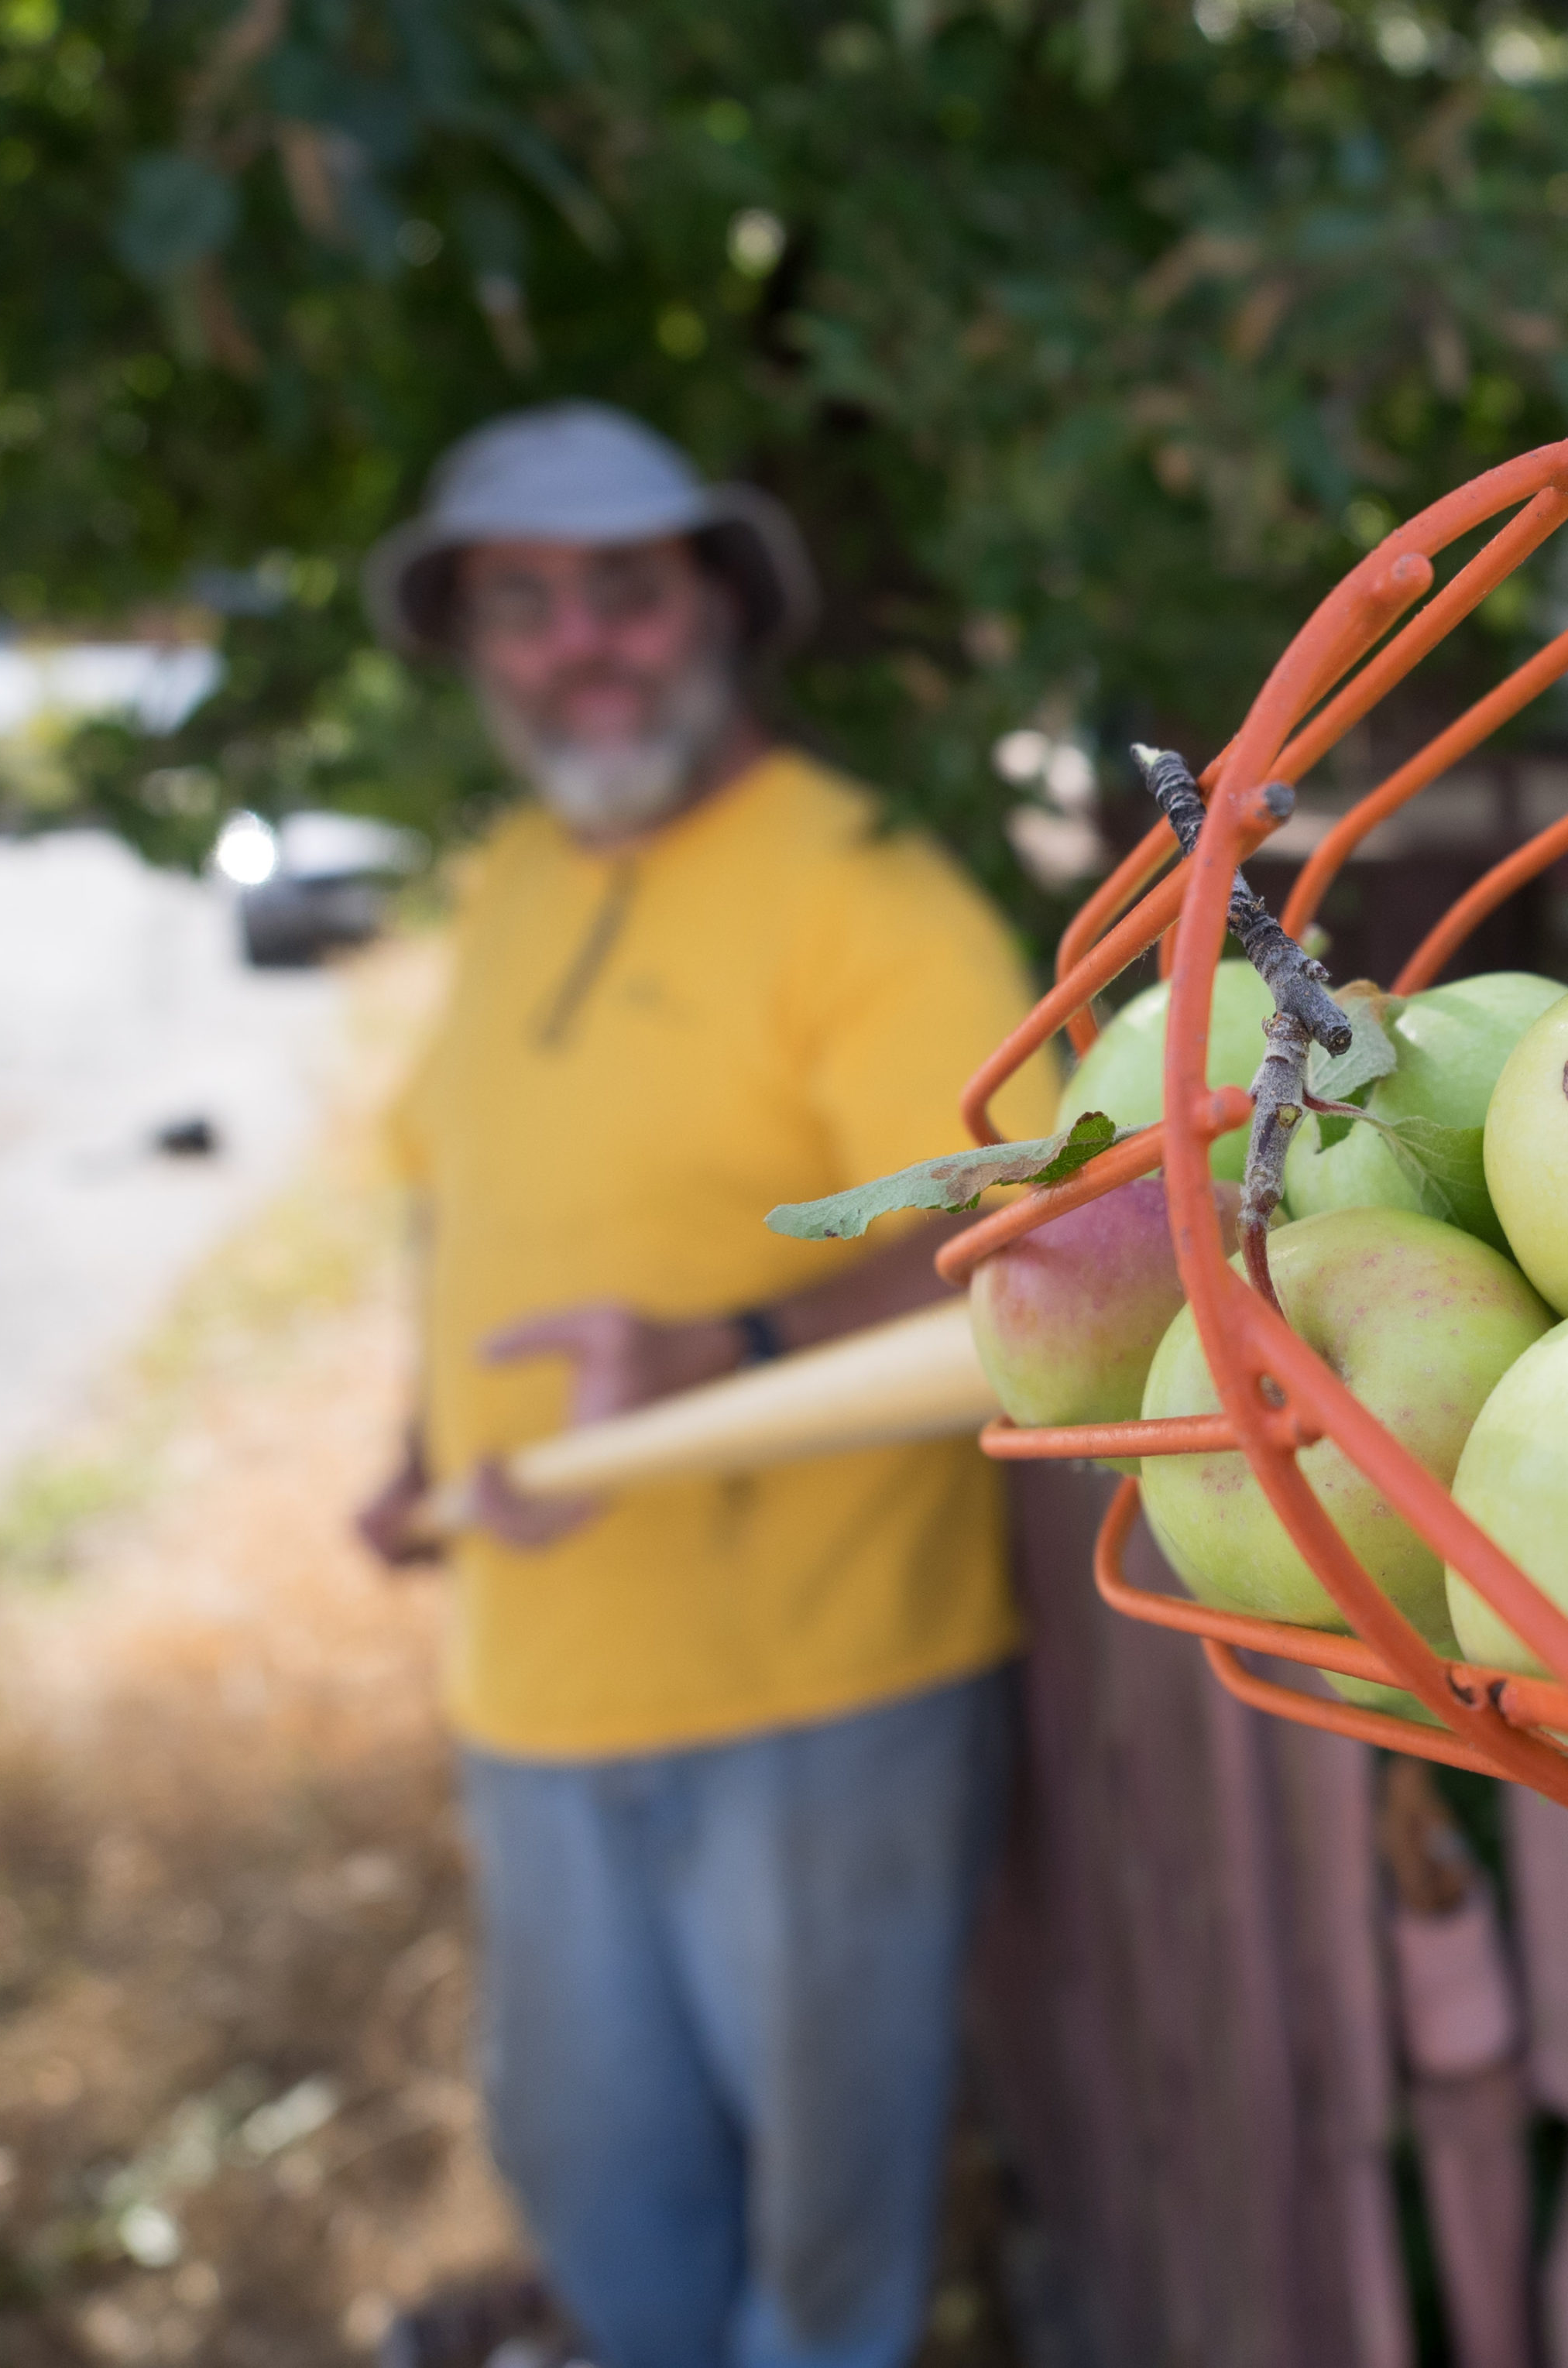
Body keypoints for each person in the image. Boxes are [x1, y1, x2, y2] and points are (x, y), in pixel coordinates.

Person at [349, 403, 1059, 2368]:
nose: (579, 643)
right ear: (475, 645)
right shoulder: (508, 877)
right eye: (522, 604)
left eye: (624, 592)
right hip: (537, 1678)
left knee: (821, 2266)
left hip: (821, 1699)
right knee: (600, 2208)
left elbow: (1023, 1239)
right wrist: (419, 1445)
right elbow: (453, 1194)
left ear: (720, 609)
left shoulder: (867, 889)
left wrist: (723, 1348)